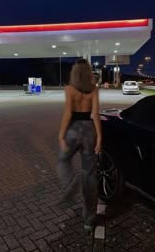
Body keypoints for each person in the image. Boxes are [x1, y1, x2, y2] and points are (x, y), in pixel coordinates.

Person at [58, 58, 102, 231]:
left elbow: (68, 114)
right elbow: (95, 114)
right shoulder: (94, 89)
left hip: (74, 130)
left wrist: (61, 135)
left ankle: (70, 181)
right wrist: (99, 137)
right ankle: (88, 221)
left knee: (63, 159)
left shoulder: (69, 89)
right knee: (90, 175)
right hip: (90, 131)